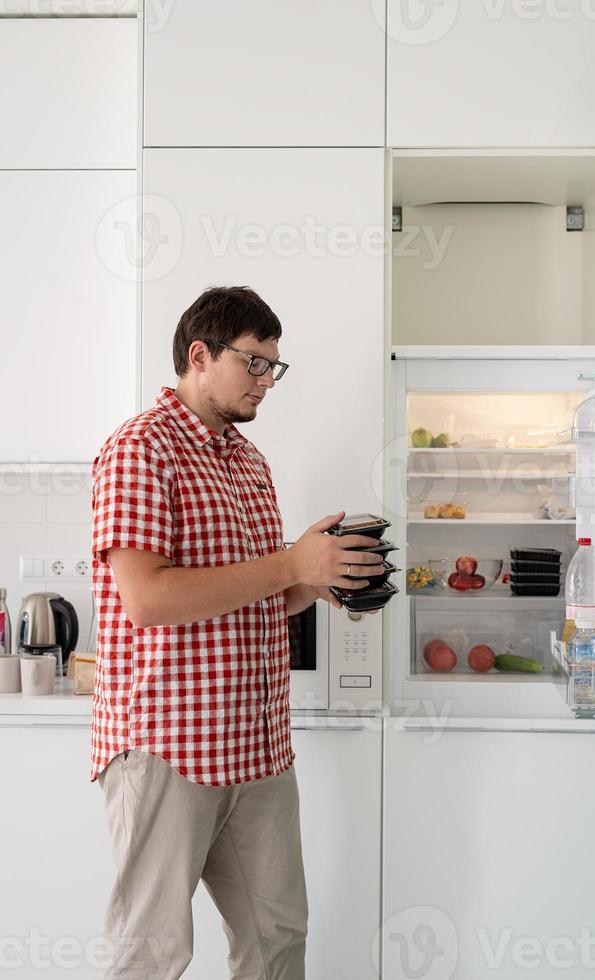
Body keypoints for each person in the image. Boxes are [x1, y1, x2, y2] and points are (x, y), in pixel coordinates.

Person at [90, 285, 383, 979]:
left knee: (277, 937)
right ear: (200, 354)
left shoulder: (249, 463)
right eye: (256, 363)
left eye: (274, 368)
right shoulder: (140, 450)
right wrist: (289, 562)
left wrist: (316, 583)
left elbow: (253, 600)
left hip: (257, 746)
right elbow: (149, 600)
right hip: (167, 745)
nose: (266, 382)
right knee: (152, 955)